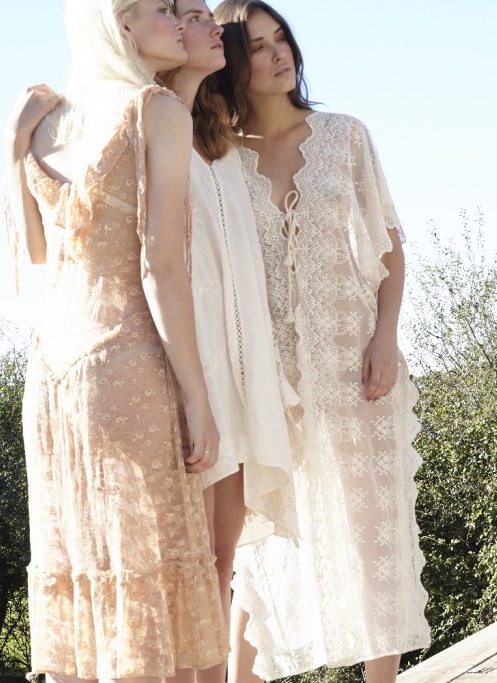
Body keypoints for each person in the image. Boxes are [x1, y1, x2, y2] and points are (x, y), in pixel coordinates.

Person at [3, 0, 229, 679]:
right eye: (162, 9)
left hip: (52, 378)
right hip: (128, 364)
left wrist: (10, 150)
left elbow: (36, 250)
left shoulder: (48, 122)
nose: (177, 22)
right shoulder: (153, 110)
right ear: (121, 22)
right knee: (153, 589)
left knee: (88, 582)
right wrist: (196, 395)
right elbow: (161, 264)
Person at [210, 2, 430, 681]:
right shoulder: (218, 158)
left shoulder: (345, 136)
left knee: (372, 536)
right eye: (258, 46)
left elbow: (390, 250)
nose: (278, 55)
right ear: (232, 62)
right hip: (264, 379)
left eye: (283, 41)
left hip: (353, 362)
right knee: (264, 538)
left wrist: (385, 339)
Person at [158, 2, 299, 682]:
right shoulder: (152, 127)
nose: (208, 26)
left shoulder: (220, 138)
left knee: (223, 554)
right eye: (188, 14)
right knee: (184, 562)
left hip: (240, 371)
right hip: (189, 367)